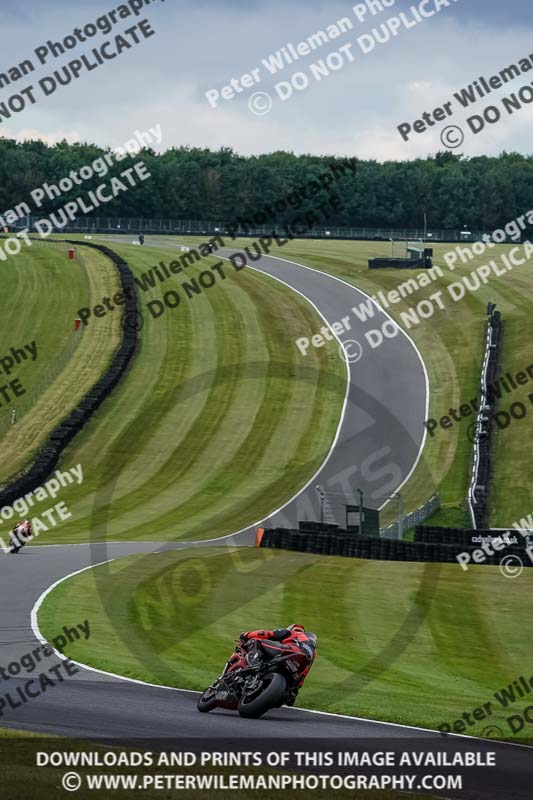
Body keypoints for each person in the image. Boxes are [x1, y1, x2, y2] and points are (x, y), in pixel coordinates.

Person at [239, 624, 317, 706]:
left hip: (290, 650)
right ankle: (285, 693)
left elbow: (265, 634)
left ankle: (252, 665)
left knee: (256, 642)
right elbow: (305, 671)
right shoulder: (312, 652)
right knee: (282, 699)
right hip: (297, 668)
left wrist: (246, 635)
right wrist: (295, 688)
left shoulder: (292, 633)